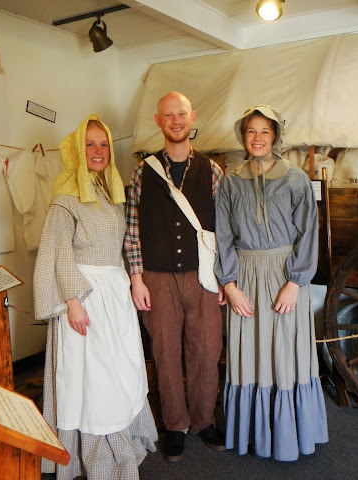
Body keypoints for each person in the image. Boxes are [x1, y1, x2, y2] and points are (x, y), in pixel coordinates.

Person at [33, 114, 157, 480]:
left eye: (103, 144)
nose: (99, 151)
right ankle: (96, 454)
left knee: (122, 370)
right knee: (93, 378)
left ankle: (126, 434)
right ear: (76, 150)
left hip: (113, 295)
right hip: (85, 297)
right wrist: (72, 301)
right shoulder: (65, 199)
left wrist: (132, 282)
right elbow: (57, 252)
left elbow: (119, 247)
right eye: (90, 144)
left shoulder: (109, 191)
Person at [215, 105, 329, 461]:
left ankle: (289, 435)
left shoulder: (295, 178)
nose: (258, 138)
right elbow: (222, 236)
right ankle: (252, 434)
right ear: (243, 136)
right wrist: (230, 284)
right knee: (249, 352)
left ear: (276, 136)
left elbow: (309, 232)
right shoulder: (230, 181)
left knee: (284, 352)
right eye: (251, 131)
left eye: (265, 131)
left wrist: (295, 281)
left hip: (284, 273)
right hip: (245, 275)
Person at [124, 91, 226, 462]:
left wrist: (224, 279)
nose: (176, 120)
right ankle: (176, 425)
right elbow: (131, 228)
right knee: (165, 354)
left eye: (181, 114)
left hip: (203, 277)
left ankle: (203, 420)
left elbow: (223, 229)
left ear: (192, 116)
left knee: (206, 351)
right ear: (158, 121)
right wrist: (136, 278)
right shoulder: (142, 171)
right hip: (157, 277)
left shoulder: (213, 171)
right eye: (169, 115)